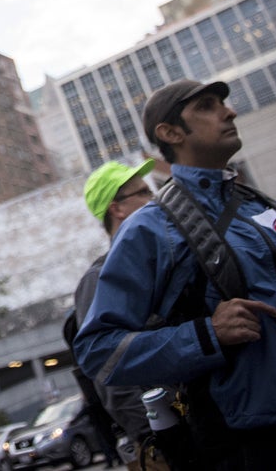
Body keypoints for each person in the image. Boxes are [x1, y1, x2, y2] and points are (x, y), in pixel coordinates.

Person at [73, 79, 276, 469]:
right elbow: (98, 351)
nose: (229, 112)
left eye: (223, 104)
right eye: (207, 106)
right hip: (266, 449)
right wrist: (205, 336)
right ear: (171, 133)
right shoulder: (150, 230)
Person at [72, 160, 168, 471]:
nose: (154, 199)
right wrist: (155, 438)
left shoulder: (163, 259)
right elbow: (108, 372)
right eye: (143, 193)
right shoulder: (99, 280)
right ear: (118, 209)